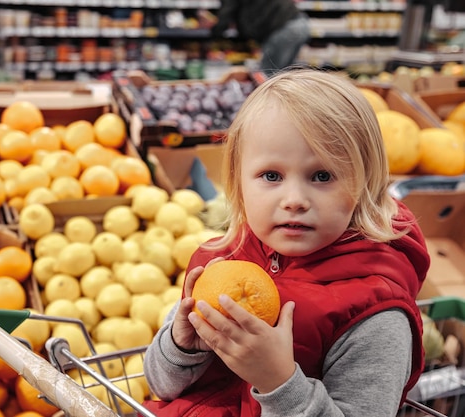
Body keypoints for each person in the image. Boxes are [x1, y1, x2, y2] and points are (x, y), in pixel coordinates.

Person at [142, 69, 430, 417]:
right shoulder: (223, 262)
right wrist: (180, 345)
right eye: (271, 176)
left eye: (322, 176)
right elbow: (159, 384)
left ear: (365, 184)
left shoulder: (375, 316)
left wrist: (279, 381)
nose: (294, 199)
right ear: (237, 183)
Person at [210, 0, 311, 77]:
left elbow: (227, 12)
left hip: (284, 29)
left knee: (269, 77)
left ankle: (271, 104)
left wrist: (213, 30)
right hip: (299, 23)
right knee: (283, 75)